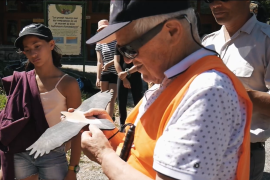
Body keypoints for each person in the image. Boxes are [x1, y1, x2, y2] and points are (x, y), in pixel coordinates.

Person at [78, 1, 252, 180]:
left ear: (172, 31)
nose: (127, 61)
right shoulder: (173, 80)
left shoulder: (208, 92)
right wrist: (112, 137)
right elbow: (145, 155)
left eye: (130, 49)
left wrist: (104, 155)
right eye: (121, 50)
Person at [0, 24, 81, 180]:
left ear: (51, 44)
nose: (33, 53)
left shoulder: (68, 84)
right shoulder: (21, 81)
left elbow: (77, 128)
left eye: (37, 46)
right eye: (28, 49)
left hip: (52, 153)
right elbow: (9, 121)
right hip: (20, 152)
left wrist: (73, 168)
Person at [202, 1, 270, 180]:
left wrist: (240, 93)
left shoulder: (266, 40)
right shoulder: (207, 43)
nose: (215, 5)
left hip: (245, 153)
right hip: (202, 148)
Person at [114, 47, 143, 128]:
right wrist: (123, 78)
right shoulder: (119, 45)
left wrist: (127, 73)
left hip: (135, 74)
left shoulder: (135, 44)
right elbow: (116, 62)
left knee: (138, 101)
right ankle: (122, 125)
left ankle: (138, 124)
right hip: (121, 76)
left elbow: (139, 63)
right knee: (121, 102)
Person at [95, 19, 118, 119]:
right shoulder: (99, 43)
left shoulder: (117, 40)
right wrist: (98, 77)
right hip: (105, 73)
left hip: (115, 72)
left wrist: (109, 63)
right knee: (103, 99)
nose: (103, 31)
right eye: (101, 29)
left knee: (111, 99)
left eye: (105, 28)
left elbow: (119, 57)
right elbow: (99, 61)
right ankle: (103, 120)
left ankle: (108, 122)